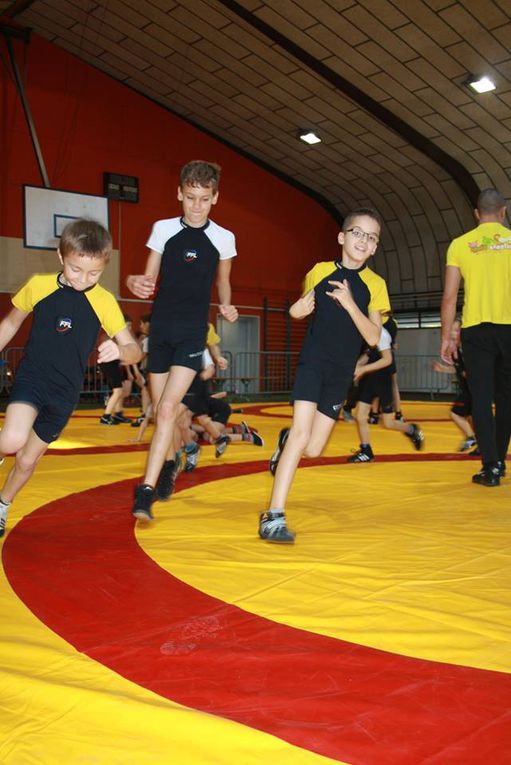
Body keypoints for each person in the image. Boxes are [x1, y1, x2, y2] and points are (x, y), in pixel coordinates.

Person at [0, 219, 141, 538]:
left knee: (26, 462)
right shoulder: (39, 286)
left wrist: (121, 351)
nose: (83, 279)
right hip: (33, 378)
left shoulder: (103, 301)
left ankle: (2, 504)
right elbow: (10, 324)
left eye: (94, 273)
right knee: (11, 439)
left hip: (64, 393)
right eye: (77, 269)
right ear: (61, 257)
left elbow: (134, 349)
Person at [261, 208, 390, 544]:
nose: (363, 240)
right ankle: (273, 515)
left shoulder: (376, 285)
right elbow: (300, 308)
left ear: (375, 247)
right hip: (313, 362)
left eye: (371, 237)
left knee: (314, 448)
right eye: (358, 233)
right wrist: (294, 311)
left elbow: (374, 338)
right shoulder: (318, 271)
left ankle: (286, 441)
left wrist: (350, 304)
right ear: (342, 237)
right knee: (303, 435)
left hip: (341, 373)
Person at [126, 160, 238, 520]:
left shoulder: (223, 238)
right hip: (160, 331)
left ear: (215, 198)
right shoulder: (162, 230)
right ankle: (172, 461)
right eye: (190, 198)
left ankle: (145, 491)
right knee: (163, 413)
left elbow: (223, 279)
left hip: (192, 333)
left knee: (170, 409)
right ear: (179, 194)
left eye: (204, 199)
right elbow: (148, 276)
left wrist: (225, 303)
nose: (196, 206)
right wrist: (136, 283)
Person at [441, 188, 511, 487]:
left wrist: (446, 337)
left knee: (480, 399)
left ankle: (491, 466)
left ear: (476, 214)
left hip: (476, 330)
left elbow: (449, 297)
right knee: (507, 398)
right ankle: (500, 462)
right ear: (504, 212)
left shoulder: (459, 245)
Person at [347, 326, 424, 463]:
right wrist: (355, 367)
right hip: (370, 379)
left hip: (383, 380)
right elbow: (368, 354)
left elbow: (387, 359)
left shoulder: (382, 333)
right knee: (360, 415)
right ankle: (366, 451)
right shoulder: (366, 329)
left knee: (387, 423)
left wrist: (362, 368)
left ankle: (411, 429)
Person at [433, 319, 477, 453]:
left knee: (455, 414)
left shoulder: (466, 349)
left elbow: (474, 369)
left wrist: (470, 373)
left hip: (471, 389)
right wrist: (443, 369)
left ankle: (471, 437)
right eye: (451, 330)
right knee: (471, 419)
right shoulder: (456, 350)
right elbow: (458, 370)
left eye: (456, 330)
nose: (453, 333)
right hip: (469, 389)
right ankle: (480, 445)